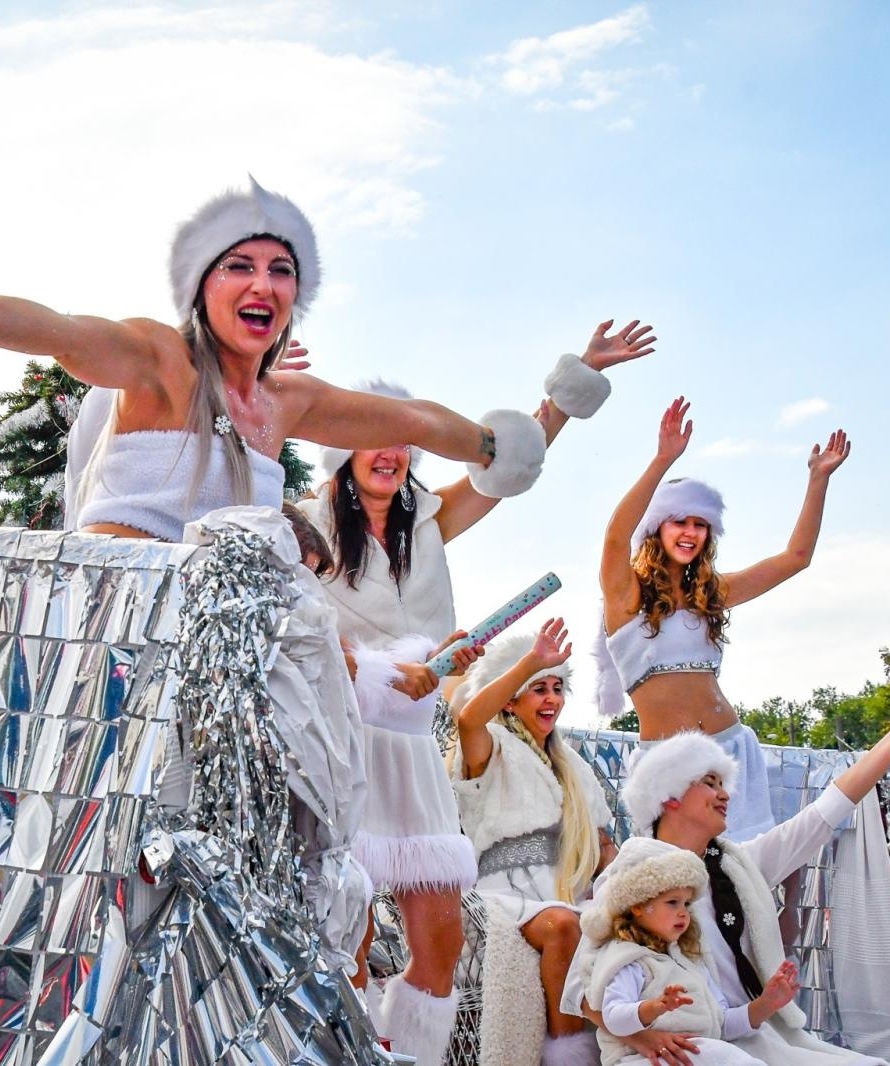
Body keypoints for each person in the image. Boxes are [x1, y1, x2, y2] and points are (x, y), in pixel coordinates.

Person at [0, 178, 563, 544]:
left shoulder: (287, 403)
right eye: (240, 266)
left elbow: (416, 420)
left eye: (281, 271)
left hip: (221, 660)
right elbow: (62, 331)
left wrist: (497, 449)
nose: (263, 283)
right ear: (202, 287)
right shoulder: (161, 360)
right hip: (115, 632)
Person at [295, 329, 651, 1066]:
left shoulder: (427, 521)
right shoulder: (314, 523)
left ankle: (405, 1053)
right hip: (345, 741)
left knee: (440, 938)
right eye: (372, 437)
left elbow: (505, 466)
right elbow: (303, 625)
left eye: (401, 439)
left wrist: (571, 387)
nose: (388, 451)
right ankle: (345, 1049)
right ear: (345, 449)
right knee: (349, 922)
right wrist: (380, 670)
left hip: (412, 754)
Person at [565, 703, 890, 1065]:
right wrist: (644, 1037)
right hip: (690, 1050)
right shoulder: (631, 876)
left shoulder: (739, 863)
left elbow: (823, 815)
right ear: (670, 795)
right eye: (710, 782)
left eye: (724, 784)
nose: (724, 794)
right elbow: (582, 992)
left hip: (754, 1035)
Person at [596, 396, 852, 840]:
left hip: (731, 751)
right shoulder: (627, 596)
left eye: (700, 524)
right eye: (679, 521)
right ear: (658, 528)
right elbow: (617, 537)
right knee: (676, 884)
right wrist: (661, 461)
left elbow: (796, 558)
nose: (691, 532)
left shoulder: (712, 593)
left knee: (747, 878)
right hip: (665, 760)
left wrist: (818, 480)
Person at [450, 620, 616, 1066]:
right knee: (564, 926)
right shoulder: (493, 746)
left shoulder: (575, 767)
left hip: (567, 888)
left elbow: (604, 846)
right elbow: (467, 718)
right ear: (511, 698)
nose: (552, 699)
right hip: (503, 895)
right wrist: (530, 660)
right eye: (539, 688)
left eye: (557, 687)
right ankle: (570, 1059)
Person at [581, 836, 795, 1066]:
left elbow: (721, 1024)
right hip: (641, 1059)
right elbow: (613, 1018)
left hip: (693, 1054)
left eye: (686, 904)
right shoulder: (628, 959)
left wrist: (766, 1004)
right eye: (672, 902)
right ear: (638, 906)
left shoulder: (690, 962)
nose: (683, 912)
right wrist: (653, 1008)